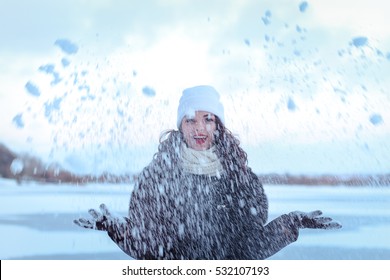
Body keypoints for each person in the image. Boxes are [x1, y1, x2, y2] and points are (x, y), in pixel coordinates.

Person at [74, 85, 341, 259]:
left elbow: (248, 251)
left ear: (218, 126)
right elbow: (146, 248)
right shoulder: (156, 177)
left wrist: (290, 224)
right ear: (181, 125)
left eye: (208, 119)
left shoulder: (242, 181)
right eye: (190, 119)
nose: (198, 128)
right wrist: (114, 226)